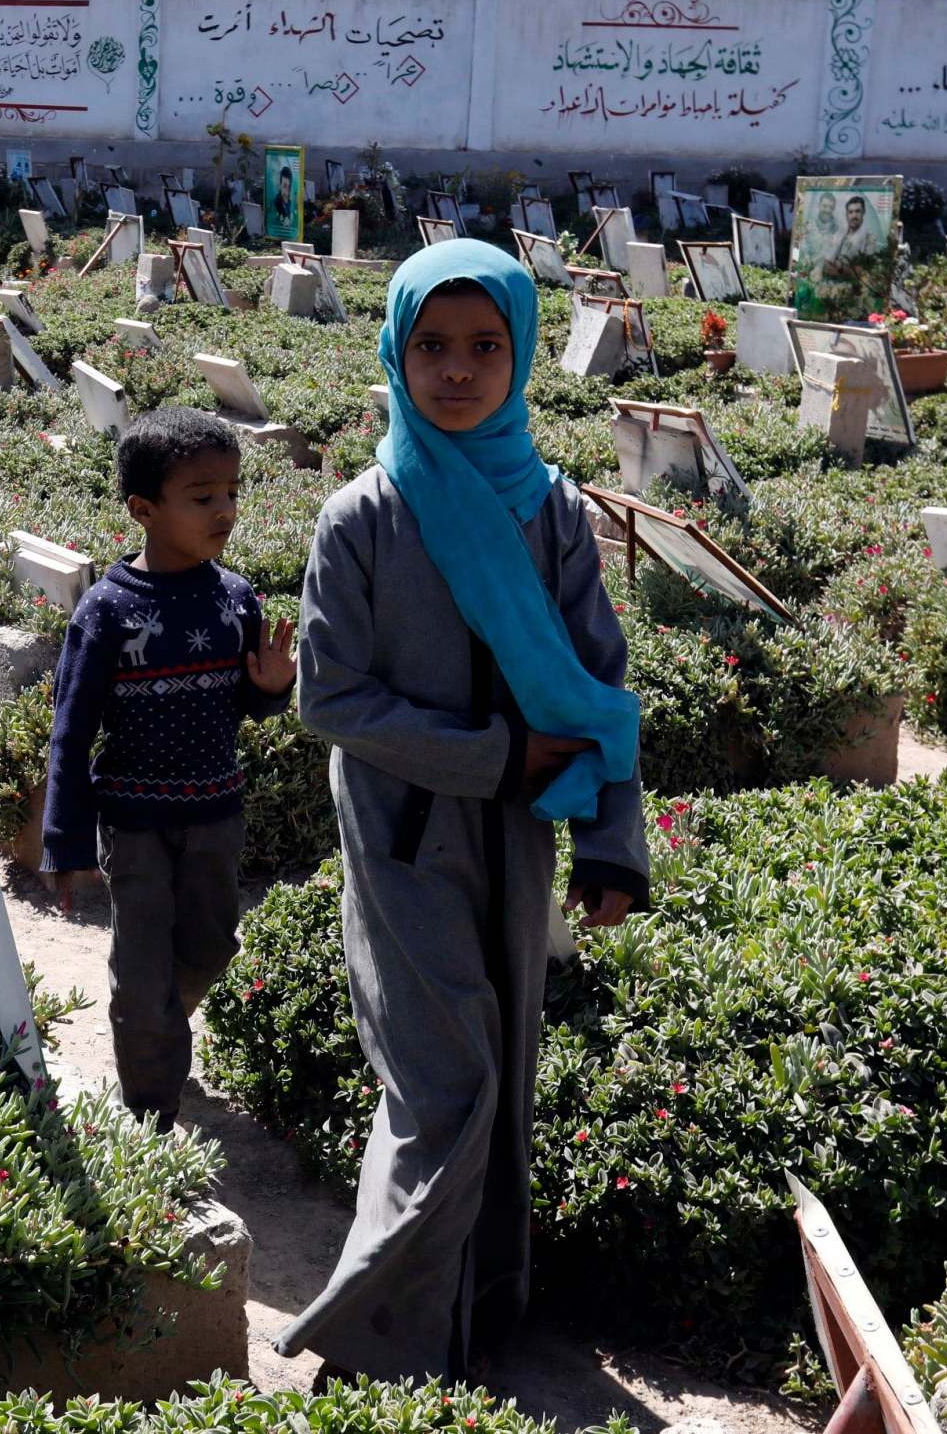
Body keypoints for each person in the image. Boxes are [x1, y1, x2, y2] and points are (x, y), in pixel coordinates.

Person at [276, 238, 649, 1384]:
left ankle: (478, 1305)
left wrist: (608, 840)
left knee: (506, 1063)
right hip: (403, 836)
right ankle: (374, 1340)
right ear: (393, 349)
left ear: (520, 353)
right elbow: (327, 696)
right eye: (429, 345)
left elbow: (596, 683)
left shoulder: (550, 512)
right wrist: (492, 755)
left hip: (518, 834)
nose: (455, 370)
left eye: (483, 345)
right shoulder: (362, 516)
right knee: (445, 1082)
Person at [40, 407, 298, 1131]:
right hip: (135, 821)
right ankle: (150, 1105)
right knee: (144, 963)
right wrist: (64, 840)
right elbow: (72, 731)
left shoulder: (234, 597)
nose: (224, 509)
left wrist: (274, 684)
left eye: (232, 492)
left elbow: (250, 703)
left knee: (212, 946)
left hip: (216, 812)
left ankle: (159, 1020)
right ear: (143, 509)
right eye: (202, 494)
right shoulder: (107, 610)